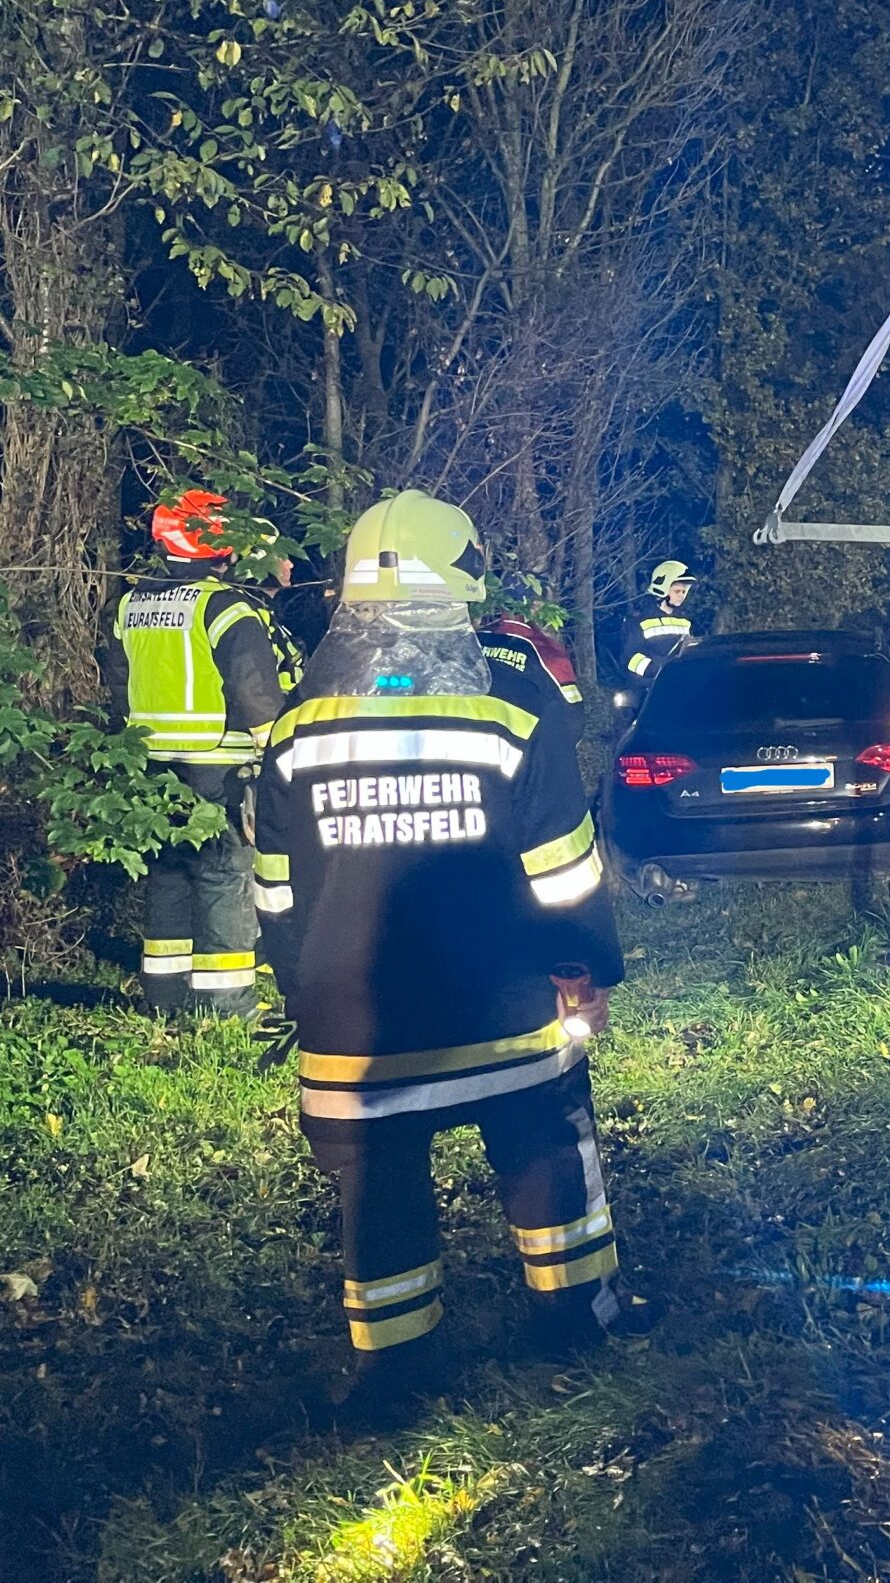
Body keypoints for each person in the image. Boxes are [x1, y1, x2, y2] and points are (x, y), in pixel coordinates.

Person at [253, 491, 649, 1415]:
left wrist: (302, 989)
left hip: (355, 1028)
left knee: (376, 1190)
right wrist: (587, 973)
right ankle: (578, 1319)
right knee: (548, 1149)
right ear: (466, 582)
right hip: (502, 1012)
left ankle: (397, 1370)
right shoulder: (512, 711)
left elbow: (273, 891)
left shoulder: (295, 731)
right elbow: (565, 874)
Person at [102, 492, 289, 1017]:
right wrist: (275, 761)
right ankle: (227, 1006)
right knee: (223, 878)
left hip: (150, 769)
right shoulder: (225, 606)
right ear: (218, 544)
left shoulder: (130, 604)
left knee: (167, 877)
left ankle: (165, 997)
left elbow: (120, 685)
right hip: (218, 766)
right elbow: (254, 693)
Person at [477, 572, 585, 731]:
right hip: (523, 749)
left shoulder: (477, 640)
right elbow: (573, 718)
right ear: (535, 606)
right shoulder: (547, 654)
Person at [616, 558, 697, 691]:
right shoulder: (639, 622)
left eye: (684, 592)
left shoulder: (686, 622)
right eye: (677, 591)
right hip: (649, 691)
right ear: (663, 588)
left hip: (681, 687)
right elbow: (630, 658)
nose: (681, 596)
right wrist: (658, 669)